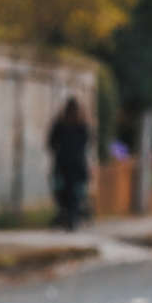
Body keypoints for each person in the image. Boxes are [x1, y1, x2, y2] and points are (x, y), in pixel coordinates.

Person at [47, 98, 92, 230]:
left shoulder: (77, 126)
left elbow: (51, 144)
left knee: (69, 195)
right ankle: (70, 217)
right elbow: (52, 143)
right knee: (69, 195)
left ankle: (71, 218)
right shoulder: (76, 126)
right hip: (71, 167)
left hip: (69, 167)